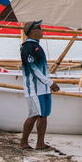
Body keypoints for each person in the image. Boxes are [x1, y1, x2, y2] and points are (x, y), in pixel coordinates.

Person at [18, 21, 60, 151]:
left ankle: (40, 143)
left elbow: (42, 69)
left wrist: (48, 82)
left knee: (44, 115)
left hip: (44, 87)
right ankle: (23, 142)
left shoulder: (37, 46)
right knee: (34, 114)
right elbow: (33, 69)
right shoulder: (27, 47)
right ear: (32, 31)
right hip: (34, 88)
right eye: (39, 28)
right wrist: (50, 82)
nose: (42, 30)